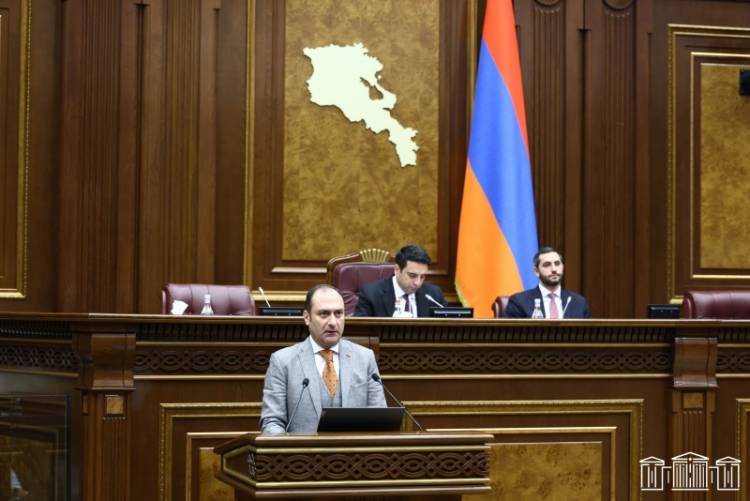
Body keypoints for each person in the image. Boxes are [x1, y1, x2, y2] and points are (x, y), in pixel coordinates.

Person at [259, 285, 386, 433]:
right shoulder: (282, 361)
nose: (333, 322)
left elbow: (380, 419)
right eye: (324, 314)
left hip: (354, 448)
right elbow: (272, 422)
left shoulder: (365, 358)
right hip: (302, 448)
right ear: (307, 317)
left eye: (338, 313)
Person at [353, 244, 445, 317]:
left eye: (422, 277)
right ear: (397, 270)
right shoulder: (371, 294)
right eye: (412, 276)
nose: (417, 283)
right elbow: (361, 330)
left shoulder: (434, 295)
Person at [503, 246, 591, 319]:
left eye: (557, 264)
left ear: (562, 268)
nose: (554, 269)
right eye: (547, 265)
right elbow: (511, 333)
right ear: (536, 271)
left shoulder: (579, 303)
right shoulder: (519, 302)